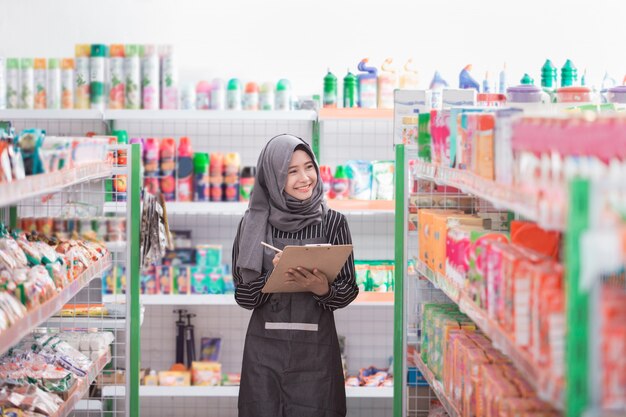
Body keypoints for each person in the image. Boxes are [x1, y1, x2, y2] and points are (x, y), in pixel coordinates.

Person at [232, 134, 359, 417]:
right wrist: (271, 277)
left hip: (316, 356)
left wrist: (323, 289)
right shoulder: (252, 224)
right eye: (291, 171)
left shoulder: (334, 222)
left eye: (308, 166)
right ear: (274, 178)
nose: (304, 178)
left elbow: (349, 289)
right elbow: (243, 295)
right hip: (264, 357)